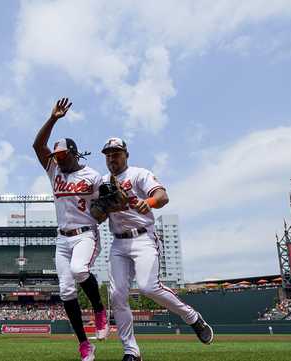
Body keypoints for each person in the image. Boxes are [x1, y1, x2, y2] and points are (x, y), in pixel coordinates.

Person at [94, 137, 214, 361]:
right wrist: (101, 209)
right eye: (108, 154)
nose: (112, 157)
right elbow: (97, 214)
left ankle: (192, 317)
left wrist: (147, 202)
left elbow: (162, 197)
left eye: (116, 153)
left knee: (148, 287)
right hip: (118, 242)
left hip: (143, 238)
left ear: (126, 155)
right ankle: (131, 351)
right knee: (117, 294)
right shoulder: (101, 182)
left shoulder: (139, 174)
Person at [33, 98, 108, 361]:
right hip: (61, 239)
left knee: (79, 270)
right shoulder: (54, 171)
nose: (59, 159)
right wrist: (53, 118)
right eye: (57, 156)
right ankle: (85, 344)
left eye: (63, 155)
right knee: (65, 291)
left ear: (75, 154)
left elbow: (105, 203)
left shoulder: (93, 176)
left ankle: (99, 309)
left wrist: (104, 210)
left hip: (85, 233)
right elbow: (37, 145)